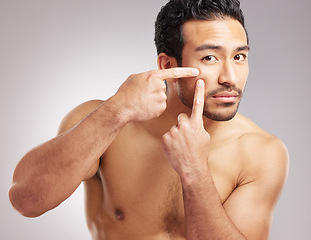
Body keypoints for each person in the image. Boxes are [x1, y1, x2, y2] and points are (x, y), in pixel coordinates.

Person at [9, 0, 289, 239]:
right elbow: (26, 199)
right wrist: (116, 112)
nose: (230, 77)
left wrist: (194, 171)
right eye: (210, 58)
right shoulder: (104, 124)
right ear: (168, 65)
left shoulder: (261, 151)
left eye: (239, 56)